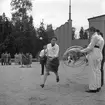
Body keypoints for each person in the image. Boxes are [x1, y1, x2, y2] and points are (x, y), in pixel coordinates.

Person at [81, 27, 104, 93]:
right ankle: (98, 86)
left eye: (89, 32)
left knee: (92, 71)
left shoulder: (94, 37)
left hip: (94, 54)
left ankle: (93, 88)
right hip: (99, 55)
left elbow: (90, 47)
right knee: (97, 71)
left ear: (92, 31)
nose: (89, 33)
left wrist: (81, 51)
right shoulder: (101, 38)